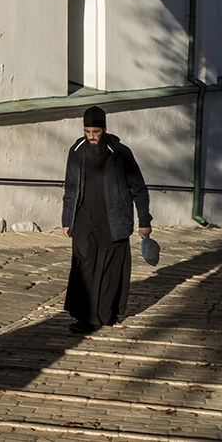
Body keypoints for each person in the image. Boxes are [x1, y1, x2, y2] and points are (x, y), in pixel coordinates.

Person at [60, 106, 152, 334]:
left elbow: (138, 188)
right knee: (85, 268)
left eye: (96, 132)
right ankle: (85, 317)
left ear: (104, 129)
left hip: (114, 219)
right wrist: (66, 218)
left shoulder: (120, 153)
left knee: (109, 269)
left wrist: (144, 220)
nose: (91, 137)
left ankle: (103, 314)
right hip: (84, 219)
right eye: (87, 131)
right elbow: (70, 188)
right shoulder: (76, 151)